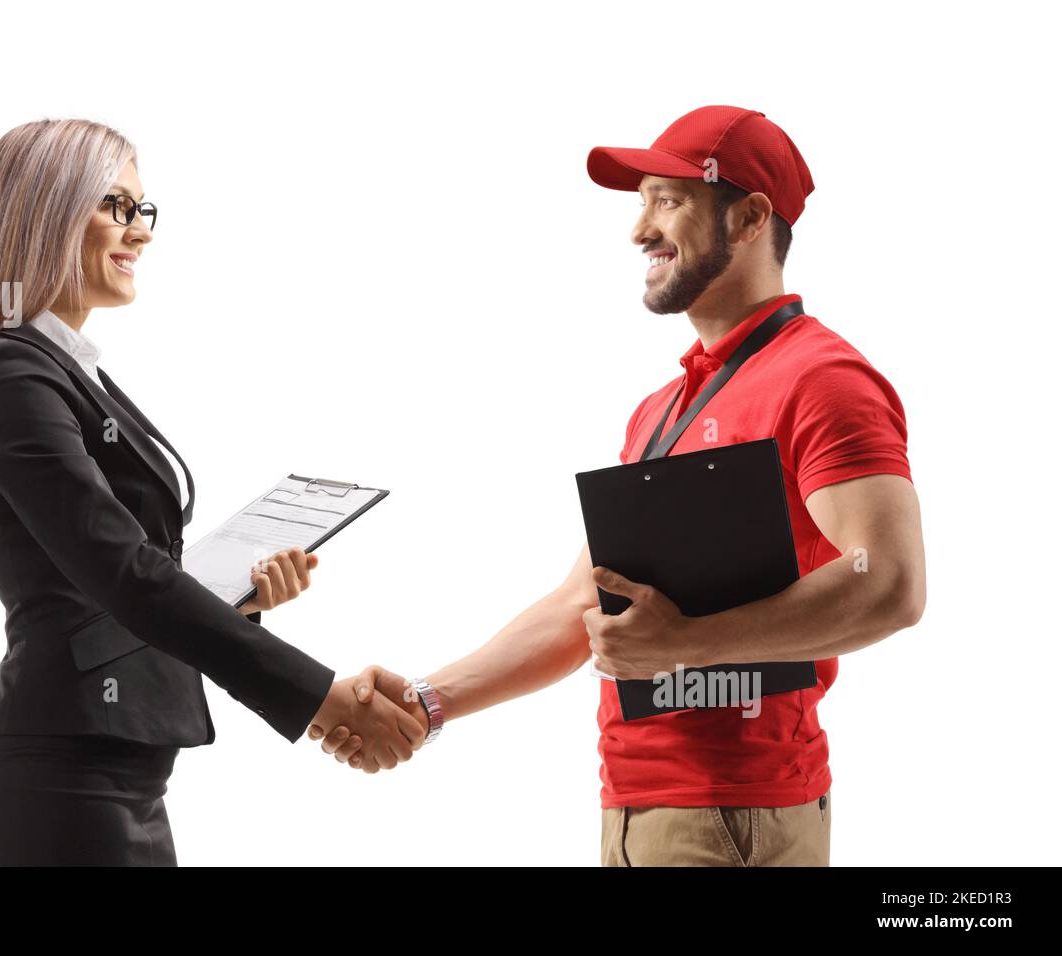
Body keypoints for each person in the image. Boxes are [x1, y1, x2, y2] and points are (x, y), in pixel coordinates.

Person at [316, 106, 927, 867]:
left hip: (740, 813)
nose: (639, 230)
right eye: (640, 202)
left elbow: (892, 583)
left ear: (750, 216)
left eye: (667, 201)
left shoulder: (822, 379)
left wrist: (688, 645)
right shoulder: (661, 411)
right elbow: (584, 609)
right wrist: (427, 701)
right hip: (635, 811)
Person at [0, 118, 424, 866]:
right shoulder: (10, 374)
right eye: (116, 206)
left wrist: (233, 597)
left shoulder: (62, 370)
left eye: (141, 209)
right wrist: (318, 697)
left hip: (111, 783)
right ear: (48, 212)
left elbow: (117, 581)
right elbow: (122, 572)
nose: (141, 232)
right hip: (61, 790)